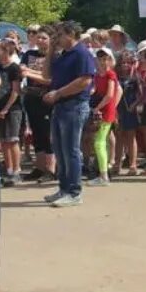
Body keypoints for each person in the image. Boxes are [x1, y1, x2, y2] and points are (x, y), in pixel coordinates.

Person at [41, 22, 97, 208]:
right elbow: (47, 75)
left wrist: (58, 93)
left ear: (71, 34)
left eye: (60, 34)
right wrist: (50, 51)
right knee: (60, 150)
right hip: (61, 107)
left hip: (75, 106)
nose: (57, 38)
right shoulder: (63, 55)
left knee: (71, 150)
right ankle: (64, 189)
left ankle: (74, 192)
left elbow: (84, 81)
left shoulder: (82, 54)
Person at [20, 26, 56, 183]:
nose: (40, 40)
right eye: (38, 37)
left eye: (44, 38)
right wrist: (29, 72)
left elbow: (50, 79)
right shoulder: (29, 54)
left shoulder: (54, 56)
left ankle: (51, 169)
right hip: (31, 97)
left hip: (46, 99)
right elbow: (22, 71)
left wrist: (30, 72)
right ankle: (40, 167)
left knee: (48, 134)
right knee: (37, 134)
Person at [0, 39, 24, 185]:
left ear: (6, 51)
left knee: (12, 140)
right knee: (3, 141)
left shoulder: (14, 68)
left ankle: (17, 171)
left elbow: (15, 91)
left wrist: (6, 109)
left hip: (12, 109)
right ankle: (9, 169)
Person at [89, 48, 120, 187]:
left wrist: (97, 107)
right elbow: (94, 90)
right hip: (100, 110)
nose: (104, 62)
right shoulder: (97, 76)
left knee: (99, 143)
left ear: (111, 60)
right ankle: (103, 173)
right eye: (101, 59)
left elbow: (109, 95)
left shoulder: (111, 74)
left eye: (107, 59)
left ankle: (104, 176)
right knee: (99, 142)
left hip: (106, 111)